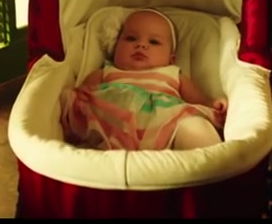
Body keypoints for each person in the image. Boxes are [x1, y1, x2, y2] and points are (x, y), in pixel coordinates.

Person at [61, 8, 227, 151]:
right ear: (116, 47)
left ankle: (206, 168)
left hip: (164, 125)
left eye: (154, 42)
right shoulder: (105, 73)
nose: (141, 45)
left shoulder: (174, 75)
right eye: (131, 38)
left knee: (196, 128)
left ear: (171, 59)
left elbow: (199, 99)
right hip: (113, 126)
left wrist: (212, 103)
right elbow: (82, 99)